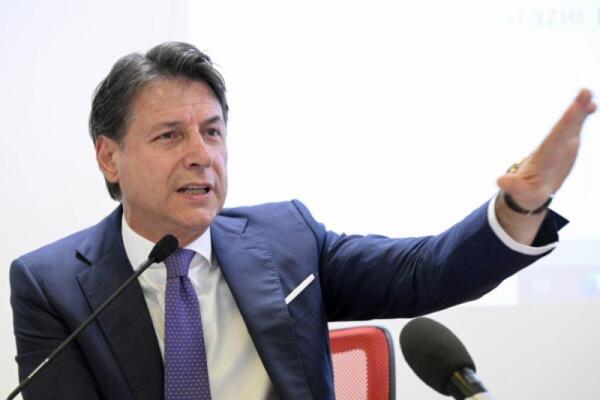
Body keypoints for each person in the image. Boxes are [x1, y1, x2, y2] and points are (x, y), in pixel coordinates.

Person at [9, 42, 596, 400]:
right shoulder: (52, 284)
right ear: (109, 156)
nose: (201, 155)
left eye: (212, 131)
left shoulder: (285, 238)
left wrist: (521, 205)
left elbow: (427, 270)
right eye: (170, 136)